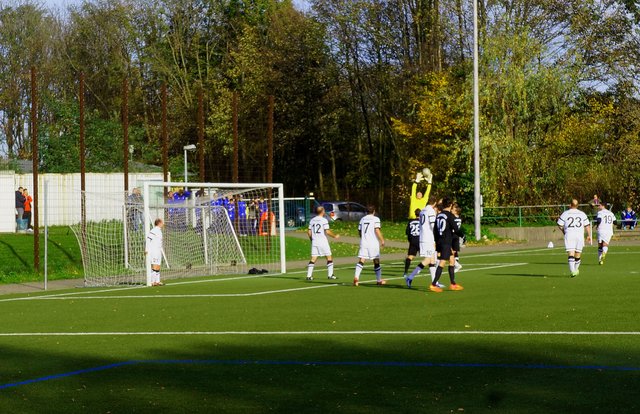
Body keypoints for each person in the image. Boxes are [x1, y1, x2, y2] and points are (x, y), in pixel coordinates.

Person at [405, 195, 444, 288]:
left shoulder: (423, 210)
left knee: (432, 260)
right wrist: (437, 238)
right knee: (428, 260)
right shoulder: (431, 211)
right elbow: (433, 225)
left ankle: (435, 282)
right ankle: (410, 277)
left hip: (423, 237)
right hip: (428, 239)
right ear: (435, 203)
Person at [430, 197, 465, 292]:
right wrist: (463, 235)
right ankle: (433, 284)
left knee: (452, 260)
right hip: (446, 242)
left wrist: (436, 241)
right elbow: (456, 229)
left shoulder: (439, 215)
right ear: (450, 205)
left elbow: (435, 230)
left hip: (440, 241)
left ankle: (453, 283)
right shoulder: (449, 215)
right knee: (442, 262)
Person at [557, 199, 592, 277]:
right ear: (577, 206)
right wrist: (589, 235)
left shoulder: (565, 213)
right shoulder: (582, 214)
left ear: (570, 205)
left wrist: (564, 231)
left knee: (571, 253)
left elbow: (559, 224)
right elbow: (587, 225)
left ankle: (573, 271)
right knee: (578, 254)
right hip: (579, 235)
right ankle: (575, 270)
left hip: (569, 234)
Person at [353, 205, 385, 286]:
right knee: (376, 261)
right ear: (374, 211)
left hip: (364, 242)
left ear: (366, 211)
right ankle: (379, 280)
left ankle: (356, 277)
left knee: (361, 260)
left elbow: (359, 231)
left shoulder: (362, 219)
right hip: (373, 243)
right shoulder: (376, 219)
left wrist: (363, 238)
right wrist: (382, 240)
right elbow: (377, 230)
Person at [306, 206, 340, 280]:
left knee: (313, 258)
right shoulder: (324, 220)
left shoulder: (312, 220)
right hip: (322, 242)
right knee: (329, 257)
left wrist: (312, 240)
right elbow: (327, 231)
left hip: (315, 242)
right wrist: (335, 236)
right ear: (322, 211)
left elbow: (308, 232)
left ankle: (309, 276)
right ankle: (330, 275)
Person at [145, 218, 165, 286]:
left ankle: (157, 281)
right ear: (159, 223)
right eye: (162, 222)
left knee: (158, 266)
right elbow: (148, 240)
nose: (163, 224)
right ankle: (152, 281)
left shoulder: (159, 231)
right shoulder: (154, 230)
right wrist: (146, 249)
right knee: (154, 266)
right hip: (154, 251)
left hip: (158, 250)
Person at [403, 209, 421, 277]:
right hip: (420, 240)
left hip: (413, 240)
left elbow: (407, 232)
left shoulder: (410, 221)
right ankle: (419, 269)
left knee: (410, 256)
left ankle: (405, 272)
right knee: (428, 257)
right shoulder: (422, 221)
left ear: (415, 214)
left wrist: (410, 240)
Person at [452, 203, 464, 272]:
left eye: (453, 208)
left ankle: (456, 265)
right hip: (457, 235)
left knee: (452, 251)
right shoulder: (459, 218)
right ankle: (456, 264)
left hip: (453, 235)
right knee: (455, 251)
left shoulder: (453, 218)